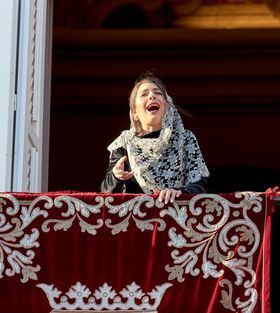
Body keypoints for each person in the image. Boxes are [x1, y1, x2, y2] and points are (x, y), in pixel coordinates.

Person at [100, 71, 210, 204]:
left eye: (157, 93)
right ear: (135, 112)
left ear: (166, 106)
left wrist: (181, 192)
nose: (152, 96)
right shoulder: (124, 144)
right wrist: (116, 176)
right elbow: (104, 193)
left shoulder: (186, 138)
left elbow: (200, 185)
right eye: (144, 94)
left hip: (178, 218)